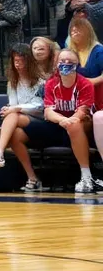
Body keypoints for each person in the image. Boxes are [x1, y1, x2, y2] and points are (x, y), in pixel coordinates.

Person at [0, 44, 48, 190]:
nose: (18, 64)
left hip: (43, 122)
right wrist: (9, 108)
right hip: (22, 120)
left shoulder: (41, 81)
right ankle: (33, 179)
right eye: (15, 61)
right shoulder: (12, 82)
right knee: (15, 136)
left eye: (21, 60)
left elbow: (39, 107)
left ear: (29, 61)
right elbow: (13, 104)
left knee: (14, 115)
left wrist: (14, 109)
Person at [34, 49, 96, 194]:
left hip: (84, 124)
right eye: (62, 61)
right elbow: (48, 112)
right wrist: (63, 120)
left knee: (74, 125)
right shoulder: (51, 84)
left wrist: (70, 120)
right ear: (56, 64)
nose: (65, 64)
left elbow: (83, 111)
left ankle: (86, 176)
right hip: (59, 124)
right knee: (21, 130)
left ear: (77, 64)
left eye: (70, 62)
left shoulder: (85, 84)